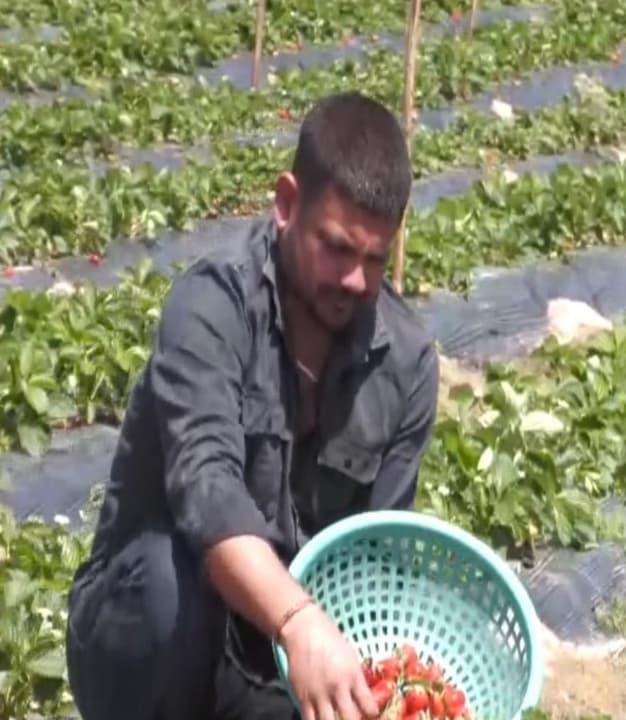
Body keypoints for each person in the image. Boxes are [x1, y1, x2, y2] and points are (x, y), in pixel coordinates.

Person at [64, 92, 440, 720]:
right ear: (287, 204)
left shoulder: (405, 364)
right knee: (166, 581)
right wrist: (298, 619)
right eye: (338, 248)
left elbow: (375, 559)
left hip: (271, 653)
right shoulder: (211, 308)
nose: (355, 279)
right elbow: (207, 491)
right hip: (142, 635)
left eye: (375, 259)